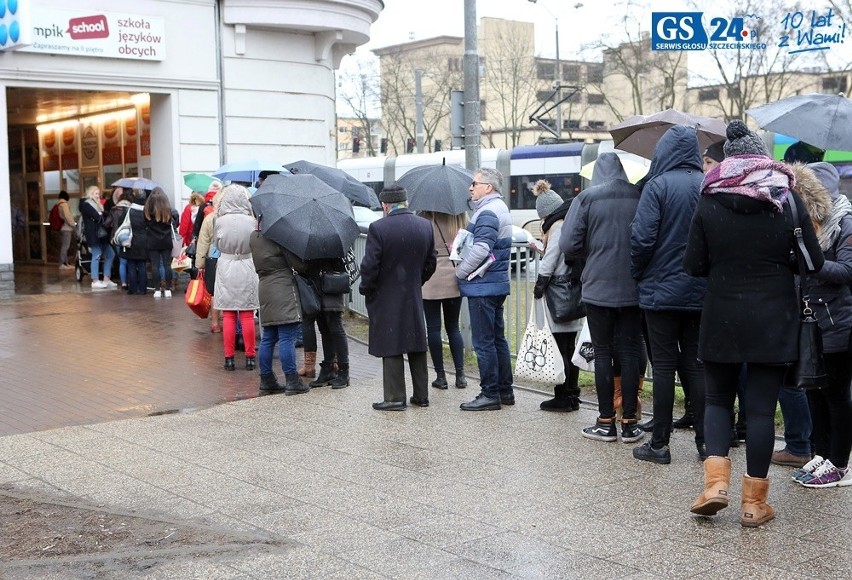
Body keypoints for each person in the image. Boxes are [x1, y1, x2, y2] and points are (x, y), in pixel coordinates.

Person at [685, 120, 824, 528]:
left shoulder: (708, 198)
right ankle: (754, 504)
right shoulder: (787, 198)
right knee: (762, 411)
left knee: (716, 401)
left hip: (721, 314)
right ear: (764, 156)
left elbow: (692, 265)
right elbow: (812, 263)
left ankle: (714, 487)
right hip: (773, 317)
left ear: (728, 160)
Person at [630, 125, 707, 464]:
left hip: (660, 290)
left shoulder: (657, 186)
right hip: (701, 290)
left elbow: (642, 239)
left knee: (663, 366)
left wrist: (639, 273)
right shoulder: (709, 185)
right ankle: (707, 444)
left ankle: (659, 444)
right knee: (696, 365)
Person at [561, 153, 644, 443]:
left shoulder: (587, 198)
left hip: (597, 288)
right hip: (635, 288)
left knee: (604, 353)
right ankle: (631, 421)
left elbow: (568, 244)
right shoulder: (640, 195)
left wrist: (592, 250)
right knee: (631, 352)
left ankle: (606, 420)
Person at [788, 162, 852, 487]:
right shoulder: (806, 226)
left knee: (837, 395)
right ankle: (821, 454)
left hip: (840, 322)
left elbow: (846, 271)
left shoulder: (844, 223)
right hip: (811, 323)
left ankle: (839, 464)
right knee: (815, 391)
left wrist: (812, 262)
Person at [359, 184, 437, 410]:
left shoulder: (379, 228)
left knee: (391, 342)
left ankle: (394, 398)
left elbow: (370, 266)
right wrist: (416, 282)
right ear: (406, 202)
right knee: (415, 341)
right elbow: (431, 262)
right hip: (412, 293)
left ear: (385, 205)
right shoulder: (424, 226)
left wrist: (368, 288)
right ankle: (421, 396)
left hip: (386, 295)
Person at [456, 167, 514, 411]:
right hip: (496, 283)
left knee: (484, 342)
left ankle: (489, 393)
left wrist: (459, 273)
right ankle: (504, 391)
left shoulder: (488, 212)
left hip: (482, 285)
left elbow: (481, 249)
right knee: (497, 339)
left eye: (475, 183)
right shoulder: (499, 208)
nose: (471, 187)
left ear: (488, 187)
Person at [531, 180, 583, 411]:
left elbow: (552, 259)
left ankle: (563, 396)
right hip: (572, 289)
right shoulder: (570, 222)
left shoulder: (557, 225)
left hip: (559, 293)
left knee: (561, 346)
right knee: (569, 346)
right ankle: (572, 394)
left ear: (545, 213)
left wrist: (540, 285)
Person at [250, 221, 311, 396]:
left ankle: (266, 379)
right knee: (287, 337)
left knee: (268, 337)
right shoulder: (279, 236)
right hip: (283, 288)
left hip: (265, 287)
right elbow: (298, 265)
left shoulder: (254, 237)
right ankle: (292, 380)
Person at [208, 184, 259, 371]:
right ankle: (250, 357)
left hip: (226, 265)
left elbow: (216, 243)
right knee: (247, 314)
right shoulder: (252, 221)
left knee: (228, 314)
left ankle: (229, 358)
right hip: (247, 264)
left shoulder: (219, 220)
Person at [421, 209, 468, 390]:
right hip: (453, 275)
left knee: (433, 329)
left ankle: (440, 376)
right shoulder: (459, 216)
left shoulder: (424, 218)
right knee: (453, 328)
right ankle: (460, 375)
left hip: (430, 278)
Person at [304, 253, 352, 389]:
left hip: (331, 287)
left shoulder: (333, 245)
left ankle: (343, 371)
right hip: (318, 288)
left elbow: (341, 264)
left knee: (336, 329)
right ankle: (328, 368)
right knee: (325, 330)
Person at [195, 188, 225, 332]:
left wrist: (200, 264)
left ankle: (214, 323)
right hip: (231, 257)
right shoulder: (238, 218)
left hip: (213, 257)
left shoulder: (210, 218)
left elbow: (203, 243)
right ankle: (228, 319)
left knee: (213, 291)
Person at [79, 185, 117, 290]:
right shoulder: (86, 205)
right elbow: (97, 216)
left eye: (98, 194)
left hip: (102, 235)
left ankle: (106, 279)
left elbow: (102, 215)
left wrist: (102, 213)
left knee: (110, 254)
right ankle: (95, 280)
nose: (98, 196)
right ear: (90, 194)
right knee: (96, 255)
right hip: (93, 235)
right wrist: (102, 214)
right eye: (95, 193)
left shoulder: (98, 204)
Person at [144, 187, 176, 298]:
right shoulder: (167, 210)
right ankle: (168, 289)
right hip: (166, 240)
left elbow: (145, 223)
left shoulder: (148, 210)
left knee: (155, 266)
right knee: (167, 265)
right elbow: (174, 220)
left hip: (153, 241)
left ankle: (157, 290)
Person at [123, 188, 149, 295]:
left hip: (131, 239)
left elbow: (122, 222)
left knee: (131, 265)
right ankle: (143, 289)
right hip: (143, 241)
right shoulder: (146, 211)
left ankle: (132, 289)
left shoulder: (129, 210)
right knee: (142, 265)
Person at [107, 189, 133, 290]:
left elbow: (107, 223)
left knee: (122, 261)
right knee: (130, 260)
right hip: (128, 237)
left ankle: (123, 283)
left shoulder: (114, 209)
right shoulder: (131, 208)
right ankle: (131, 281)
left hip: (116, 237)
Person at [56, 191, 77, 270]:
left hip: (61, 228)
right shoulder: (64, 205)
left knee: (64, 246)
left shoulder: (58, 204)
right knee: (65, 246)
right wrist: (73, 225)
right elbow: (68, 216)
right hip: (66, 228)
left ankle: (65, 263)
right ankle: (62, 263)